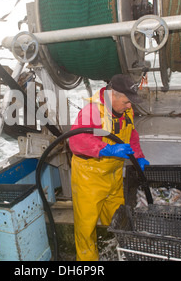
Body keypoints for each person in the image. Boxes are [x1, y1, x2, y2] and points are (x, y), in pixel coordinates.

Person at [68, 74, 149, 261]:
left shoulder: (126, 111)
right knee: (86, 227)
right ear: (113, 95)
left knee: (117, 220)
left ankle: (115, 255)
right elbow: (76, 140)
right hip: (89, 178)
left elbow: (132, 136)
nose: (130, 106)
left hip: (112, 177)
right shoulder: (93, 111)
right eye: (127, 101)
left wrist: (139, 157)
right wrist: (107, 148)